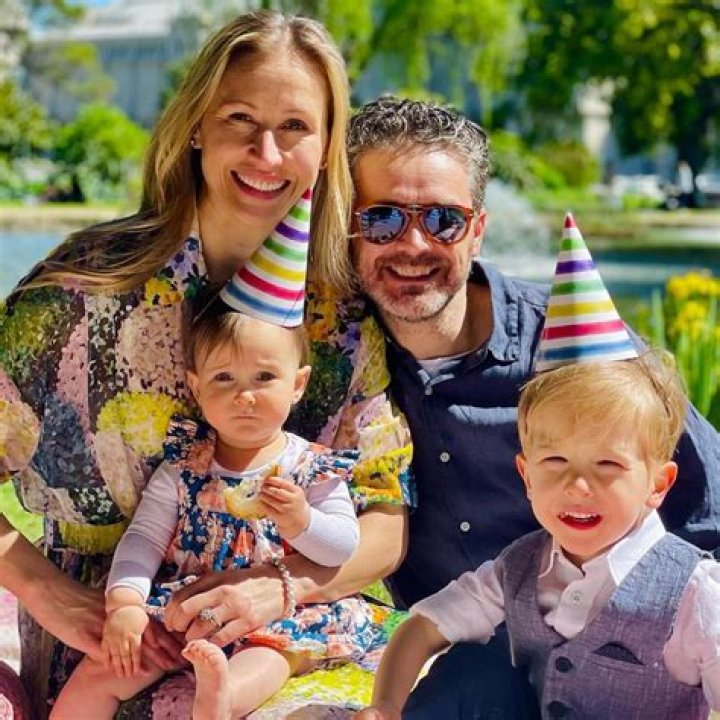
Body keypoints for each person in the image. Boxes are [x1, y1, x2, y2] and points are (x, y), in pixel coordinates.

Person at [162, 97, 718, 718]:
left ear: (478, 230)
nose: (413, 244)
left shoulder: (586, 367)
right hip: (447, 674)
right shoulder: (331, 361)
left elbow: (711, 517)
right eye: (382, 219)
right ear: (347, 227)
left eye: (443, 220)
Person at [0, 12, 411, 718]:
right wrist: (48, 593)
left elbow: (385, 515)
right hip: (116, 654)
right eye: (240, 119)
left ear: (325, 150)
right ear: (196, 126)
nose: (266, 153)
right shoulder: (75, 295)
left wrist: (283, 585)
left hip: (294, 640)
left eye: (295, 127)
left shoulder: (341, 322)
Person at [354, 215, 719, 719]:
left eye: (607, 464)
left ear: (658, 484)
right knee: (470, 671)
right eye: (555, 461)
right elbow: (424, 627)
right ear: (526, 475)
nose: (577, 485)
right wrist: (385, 705)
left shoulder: (694, 593)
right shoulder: (520, 568)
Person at [52, 247, 375, 719]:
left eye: (265, 377)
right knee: (104, 670)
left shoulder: (309, 468)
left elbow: (342, 546)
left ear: (298, 384)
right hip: (186, 609)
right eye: (224, 378)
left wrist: (301, 521)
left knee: (269, 659)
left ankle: (219, 698)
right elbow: (145, 537)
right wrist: (125, 602)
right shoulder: (186, 466)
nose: (245, 395)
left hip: (274, 617)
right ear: (197, 387)